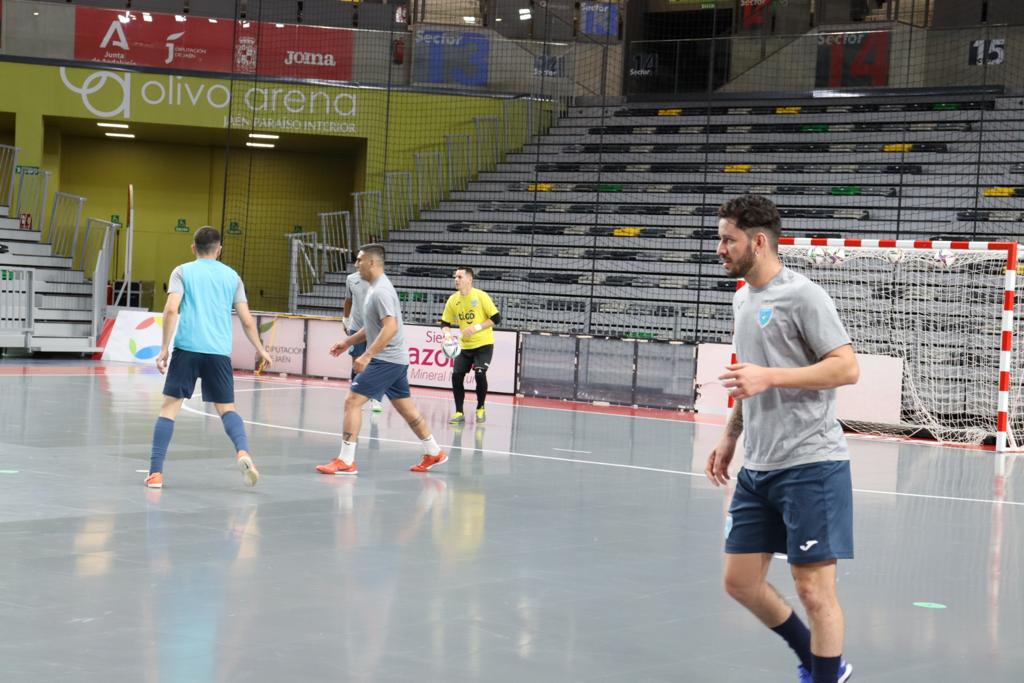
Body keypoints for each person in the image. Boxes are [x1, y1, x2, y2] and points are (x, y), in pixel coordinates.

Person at [705, 195, 859, 683]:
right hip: (759, 467)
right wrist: (731, 435)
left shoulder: (804, 296)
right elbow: (746, 377)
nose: (720, 249)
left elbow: (846, 367)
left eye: (727, 239)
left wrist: (770, 377)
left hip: (811, 464)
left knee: (814, 591)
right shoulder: (741, 298)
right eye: (719, 239)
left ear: (759, 241)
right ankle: (816, 661)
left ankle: (826, 675)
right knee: (741, 582)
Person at [146, 226, 272, 489]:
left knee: (169, 408)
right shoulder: (233, 277)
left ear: (193, 248)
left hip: (188, 349)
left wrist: (164, 348)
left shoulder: (182, 271)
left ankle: (156, 473)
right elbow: (248, 321)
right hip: (218, 353)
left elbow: (171, 310)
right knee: (227, 409)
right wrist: (261, 350)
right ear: (219, 249)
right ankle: (243, 451)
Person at [316, 244, 447, 475]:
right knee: (407, 410)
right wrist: (348, 342)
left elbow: (390, 327)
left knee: (352, 401)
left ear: (372, 263)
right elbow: (372, 326)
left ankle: (346, 461)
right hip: (395, 361)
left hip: (386, 361)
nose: (356, 264)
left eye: (359, 260)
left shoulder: (382, 291)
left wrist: (367, 355)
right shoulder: (373, 289)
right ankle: (434, 451)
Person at [440, 266, 501, 424]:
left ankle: (480, 407)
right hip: (465, 347)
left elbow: (496, 318)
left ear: (469, 279)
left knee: (480, 373)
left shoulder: (481, 296)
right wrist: (447, 335)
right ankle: (459, 412)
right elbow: (445, 322)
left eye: (460, 277)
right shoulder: (453, 300)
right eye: (455, 277)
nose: (456, 280)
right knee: (456, 376)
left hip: (483, 344)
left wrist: (476, 327)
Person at [343, 265, 383, 413]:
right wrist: (345, 319)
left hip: (374, 327)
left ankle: (376, 399)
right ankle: (355, 398)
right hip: (356, 325)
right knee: (356, 362)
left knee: (376, 362)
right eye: (357, 260)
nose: (358, 263)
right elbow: (348, 300)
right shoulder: (350, 279)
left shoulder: (378, 279)